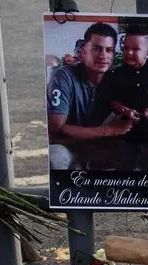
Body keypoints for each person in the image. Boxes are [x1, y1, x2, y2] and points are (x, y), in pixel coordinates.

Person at [46, 23, 134, 169]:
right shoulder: (63, 76)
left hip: (97, 145)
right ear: (83, 51)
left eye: (109, 50)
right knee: (55, 157)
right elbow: (56, 129)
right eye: (96, 49)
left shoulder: (115, 79)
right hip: (66, 146)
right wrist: (108, 130)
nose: (103, 56)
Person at [100, 28, 148, 170]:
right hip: (126, 133)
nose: (129, 53)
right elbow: (113, 100)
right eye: (125, 48)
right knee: (126, 165)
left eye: (135, 49)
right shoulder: (117, 74)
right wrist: (124, 110)